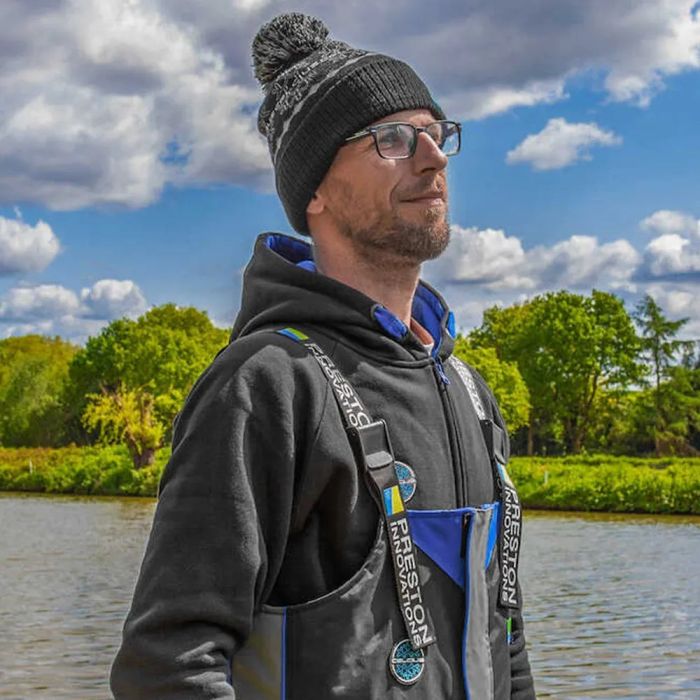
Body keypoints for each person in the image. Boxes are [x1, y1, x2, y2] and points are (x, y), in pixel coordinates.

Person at [111, 12, 536, 700]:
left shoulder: (468, 390)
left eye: (437, 133)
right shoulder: (266, 385)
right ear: (314, 189)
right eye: (393, 139)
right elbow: (167, 665)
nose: (433, 158)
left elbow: (504, 640)